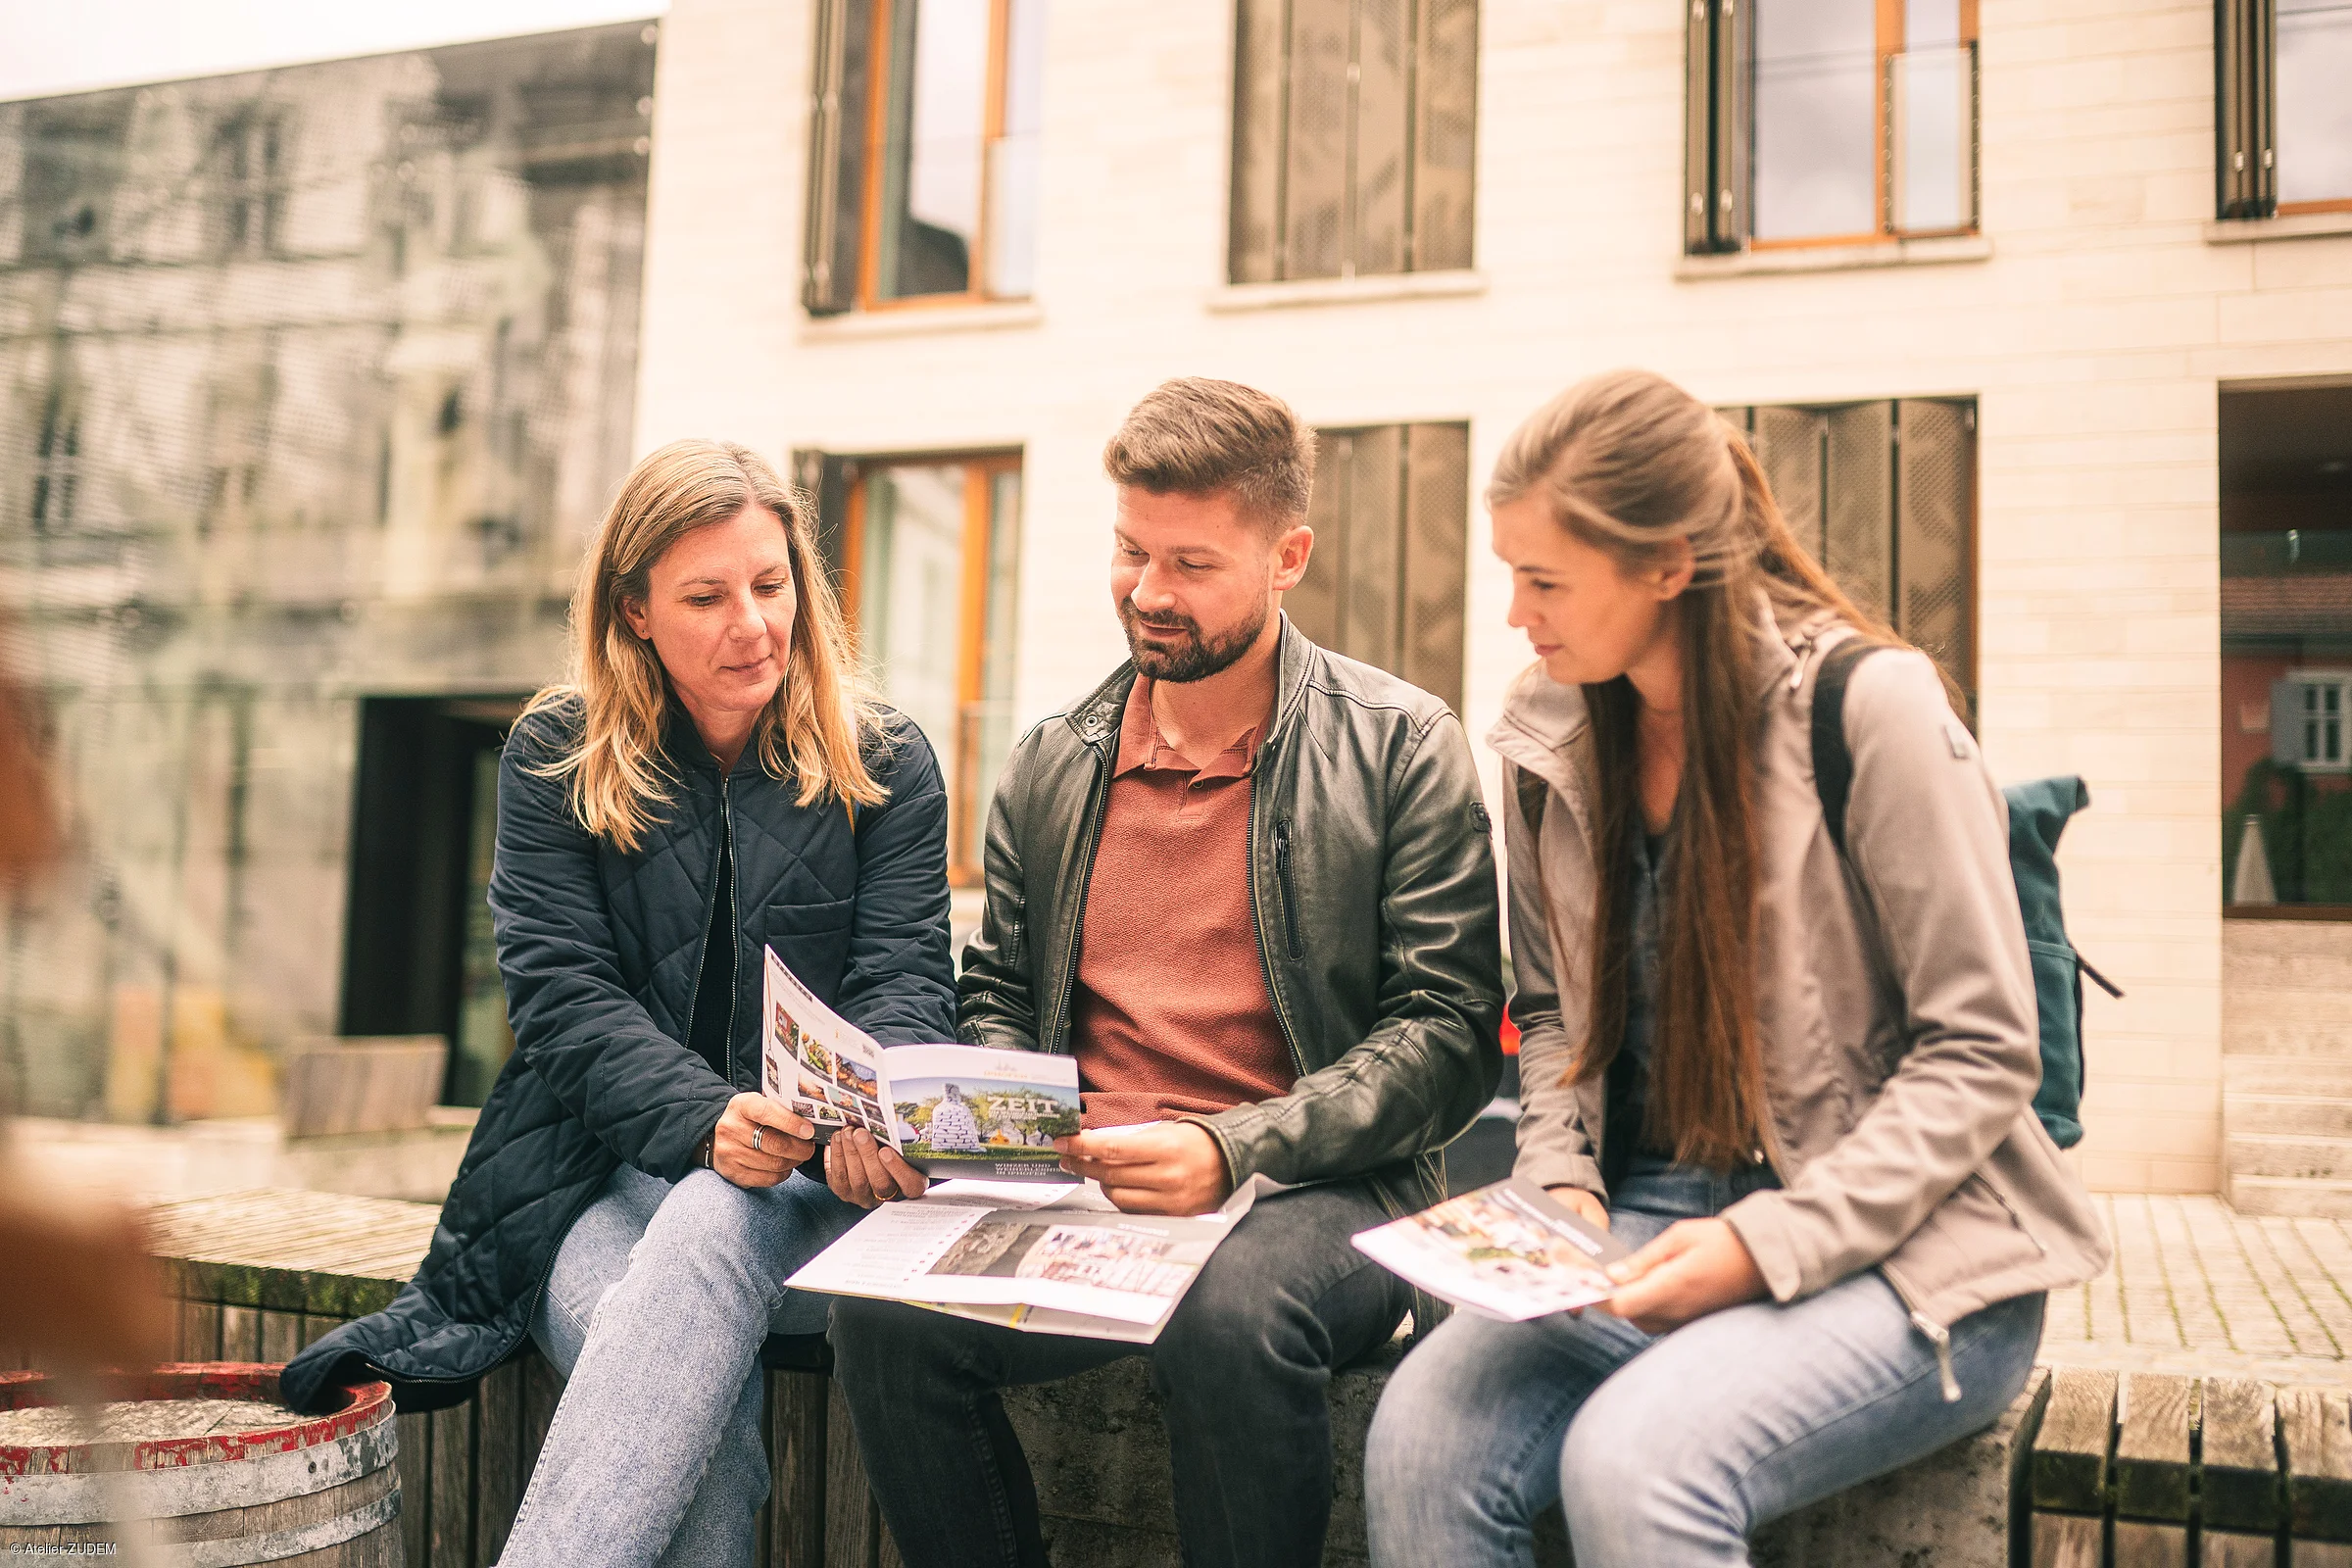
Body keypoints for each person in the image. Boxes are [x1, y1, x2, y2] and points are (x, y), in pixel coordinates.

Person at [1361, 369, 2113, 1567]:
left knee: (1638, 1465)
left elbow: (1984, 1051)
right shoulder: (1549, 728)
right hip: (1643, 1221)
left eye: (1544, 579)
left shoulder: (1875, 708)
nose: (1514, 612)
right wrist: (1560, 1190)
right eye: (1510, 572)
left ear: (1666, 565)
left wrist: (1768, 1245)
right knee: (1418, 1437)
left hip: (1913, 1252)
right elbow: (1550, 1015)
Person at [827, 377, 1505, 1568]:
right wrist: (977, 1114)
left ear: (1288, 554)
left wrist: (1235, 1147)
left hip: (1328, 1192)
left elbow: (1448, 1033)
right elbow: (998, 987)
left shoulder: (1403, 744)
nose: (1148, 592)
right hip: (1086, 1197)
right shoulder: (1053, 763)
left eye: (1191, 562)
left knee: (1229, 1314)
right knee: (880, 1313)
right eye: (1131, 551)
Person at [281, 440, 957, 1568]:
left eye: (772, 582)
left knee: (707, 1224)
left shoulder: (884, 760)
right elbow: (560, 998)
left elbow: (906, 975)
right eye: (707, 595)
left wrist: (863, 1116)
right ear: (634, 609)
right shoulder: (558, 753)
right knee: (673, 1384)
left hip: (808, 1191)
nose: (754, 622)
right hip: (587, 1176)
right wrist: (705, 1120)